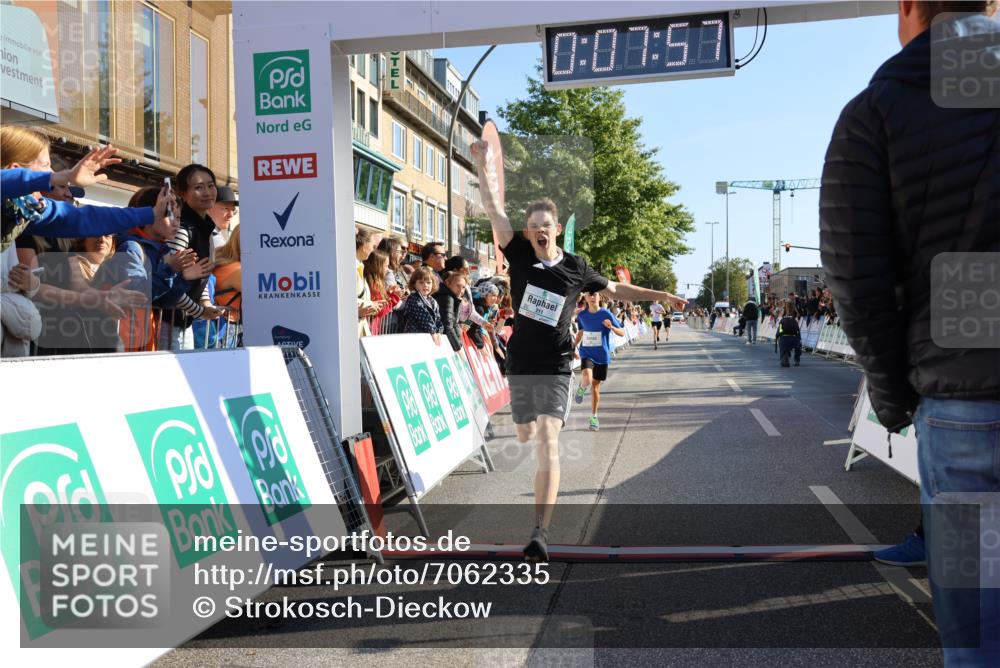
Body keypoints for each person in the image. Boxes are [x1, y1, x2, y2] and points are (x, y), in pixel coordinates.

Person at [819, 2, 999, 665]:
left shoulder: (878, 110)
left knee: (981, 634)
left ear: (909, 9)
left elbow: (857, 278)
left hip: (965, 401)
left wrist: (893, 398)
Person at [472, 139, 687, 562]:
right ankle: (525, 437)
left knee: (548, 440)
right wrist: (483, 166)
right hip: (520, 361)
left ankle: (540, 532)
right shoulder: (516, 252)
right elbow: (495, 209)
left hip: (555, 363)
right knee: (525, 433)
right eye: (532, 224)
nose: (537, 230)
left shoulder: (577, 266)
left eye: (544, 225)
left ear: (554, 229)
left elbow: (618, 288)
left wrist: (659, 292)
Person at [2, 128, 169, 251]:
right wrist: (63, 177)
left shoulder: (28, 210)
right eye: (46, 165)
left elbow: (83, 217)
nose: (52, 172)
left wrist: (151, 214)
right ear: (15, 169)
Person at [166, 164, 225, 349]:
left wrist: (205, 303)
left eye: (211, 185)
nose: (207, 192)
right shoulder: (182, 229)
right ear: (182, 193)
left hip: (185, 321)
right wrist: (200, 310)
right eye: (198, 187)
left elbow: (202, 273)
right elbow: (166, 282)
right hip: (166, 323)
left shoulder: (206, 227)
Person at [573, 292, 625, 432]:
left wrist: (612, 328)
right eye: (589, 295)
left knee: (595, 387)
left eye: (594, 294)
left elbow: (622, 332)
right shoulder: (582, 315)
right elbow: (581, 332)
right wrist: (573, 346)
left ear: (599, 297)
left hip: (602, 355)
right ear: (586, 298)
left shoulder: (606, 314)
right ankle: (583, 387)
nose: (591, 297)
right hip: (586, 352)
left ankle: (594, 417)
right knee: (587, 378)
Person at [211, 225, 242, 348]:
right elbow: (259, 299)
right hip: (227, 329)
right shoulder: (238, 270)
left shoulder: (224, 261)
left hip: (224, 328)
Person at [399, 266, 443, 345]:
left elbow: (438, 319)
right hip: (413, 338)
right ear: (414, 284)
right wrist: (433, 332)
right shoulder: (414, 298)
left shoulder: (433, 301)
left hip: (428, 337)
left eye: (429, 282)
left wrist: (439, 331)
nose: (425, 285)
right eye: (421, 282)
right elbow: (424, 317)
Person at [355, 227, 384, 337]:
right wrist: (371, 304)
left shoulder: (359, 266)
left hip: (360, 326)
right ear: (363, 245)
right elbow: (344, 299)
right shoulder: (349, 267)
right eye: (372, 246)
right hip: (352, 329)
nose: (373, 250)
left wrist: (374, 305)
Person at [364, 249, 400, 336]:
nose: (388, 270)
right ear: (378, 266)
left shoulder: (373, 281)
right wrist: (395, 296)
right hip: (369, 328)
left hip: (371, 328)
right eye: (386, 266)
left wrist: (388, 293)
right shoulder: (373, 284)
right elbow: (380, 310)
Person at [434, 268, 469, 351]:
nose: (461, 290)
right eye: (458, 285)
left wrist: (459, 344)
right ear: (448, 283)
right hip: (439, 343)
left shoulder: (452, 297)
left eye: (463, 287)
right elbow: (448, 326)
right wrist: (458, 348)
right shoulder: (447, 298)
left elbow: (454, 323)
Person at [775, 301, 802, 367]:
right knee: (798, 346)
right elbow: (798, 332)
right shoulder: (794, 321)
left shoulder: (782, 320)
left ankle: (784, 357)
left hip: (784, 339)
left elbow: (779, 332)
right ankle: (797, 360)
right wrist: (798, 340)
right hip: (794, 339)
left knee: (782, 344)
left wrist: (777, 337)